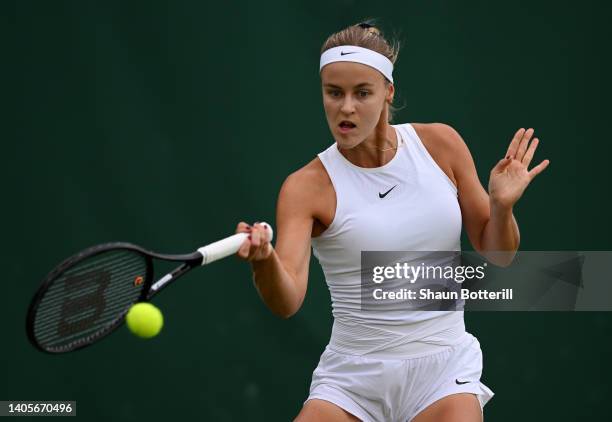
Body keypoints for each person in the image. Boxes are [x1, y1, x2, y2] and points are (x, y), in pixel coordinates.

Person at [235, 21, 549, 422]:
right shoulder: (305, 188)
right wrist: (264, 260)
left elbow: (500, 256)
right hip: (351, 380)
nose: (346, 107)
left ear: (388, 93)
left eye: (362, 93)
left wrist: (501, 207)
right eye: (334, 93)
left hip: (443, 369)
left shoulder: (441, 145)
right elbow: (287, 301)